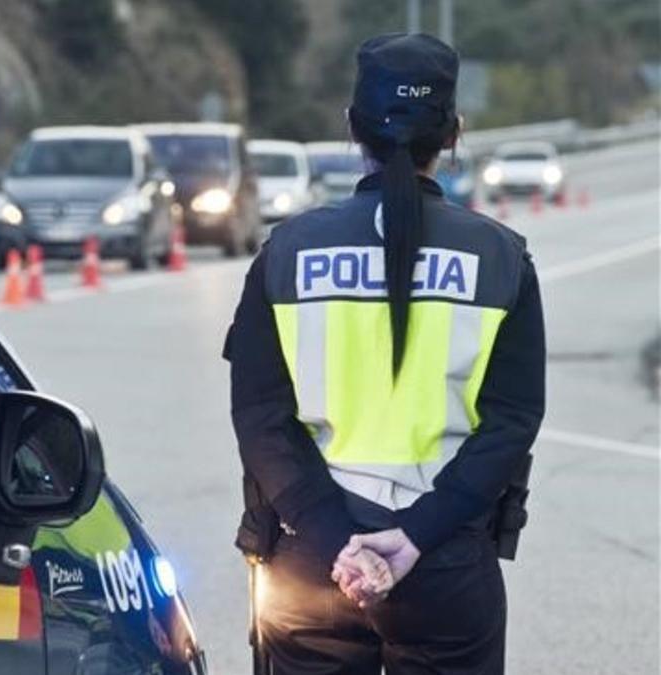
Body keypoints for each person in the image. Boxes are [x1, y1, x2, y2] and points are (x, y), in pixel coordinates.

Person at [225, 33, 545, 674]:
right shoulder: (501, 258)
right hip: (444, 562)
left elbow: (260, 420)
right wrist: (415, 536)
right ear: (454, 133)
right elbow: (511, 421)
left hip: (309, 566)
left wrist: (337, 543)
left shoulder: (286, 252)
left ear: (351, 128)